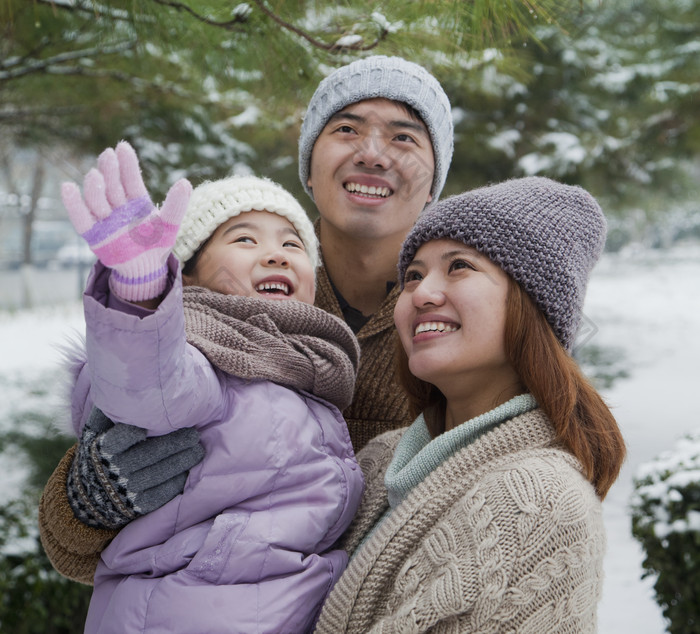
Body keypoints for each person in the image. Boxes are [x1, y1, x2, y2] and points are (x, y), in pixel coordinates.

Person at [38, 55, 454, 580]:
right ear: (309, 163)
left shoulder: (457, 311)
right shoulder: (223, 306)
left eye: (404, 137)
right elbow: (74, 551)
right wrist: (89, 503)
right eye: (347, 129)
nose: (372, 153)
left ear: (436, 175)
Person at [61, 141, 364, 634]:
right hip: (192, 608)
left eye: (293, 244)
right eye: (245, 240)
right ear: (192, 272)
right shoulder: (203, 352)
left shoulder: (305, 364)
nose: (276, 254)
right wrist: (141, 293)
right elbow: (149, 386)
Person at [313, 177, 627, 634]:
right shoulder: (381, 459)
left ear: (530, 304)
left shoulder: (538, 502)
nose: (421, 293)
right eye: (413, 275)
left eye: (459, 266)